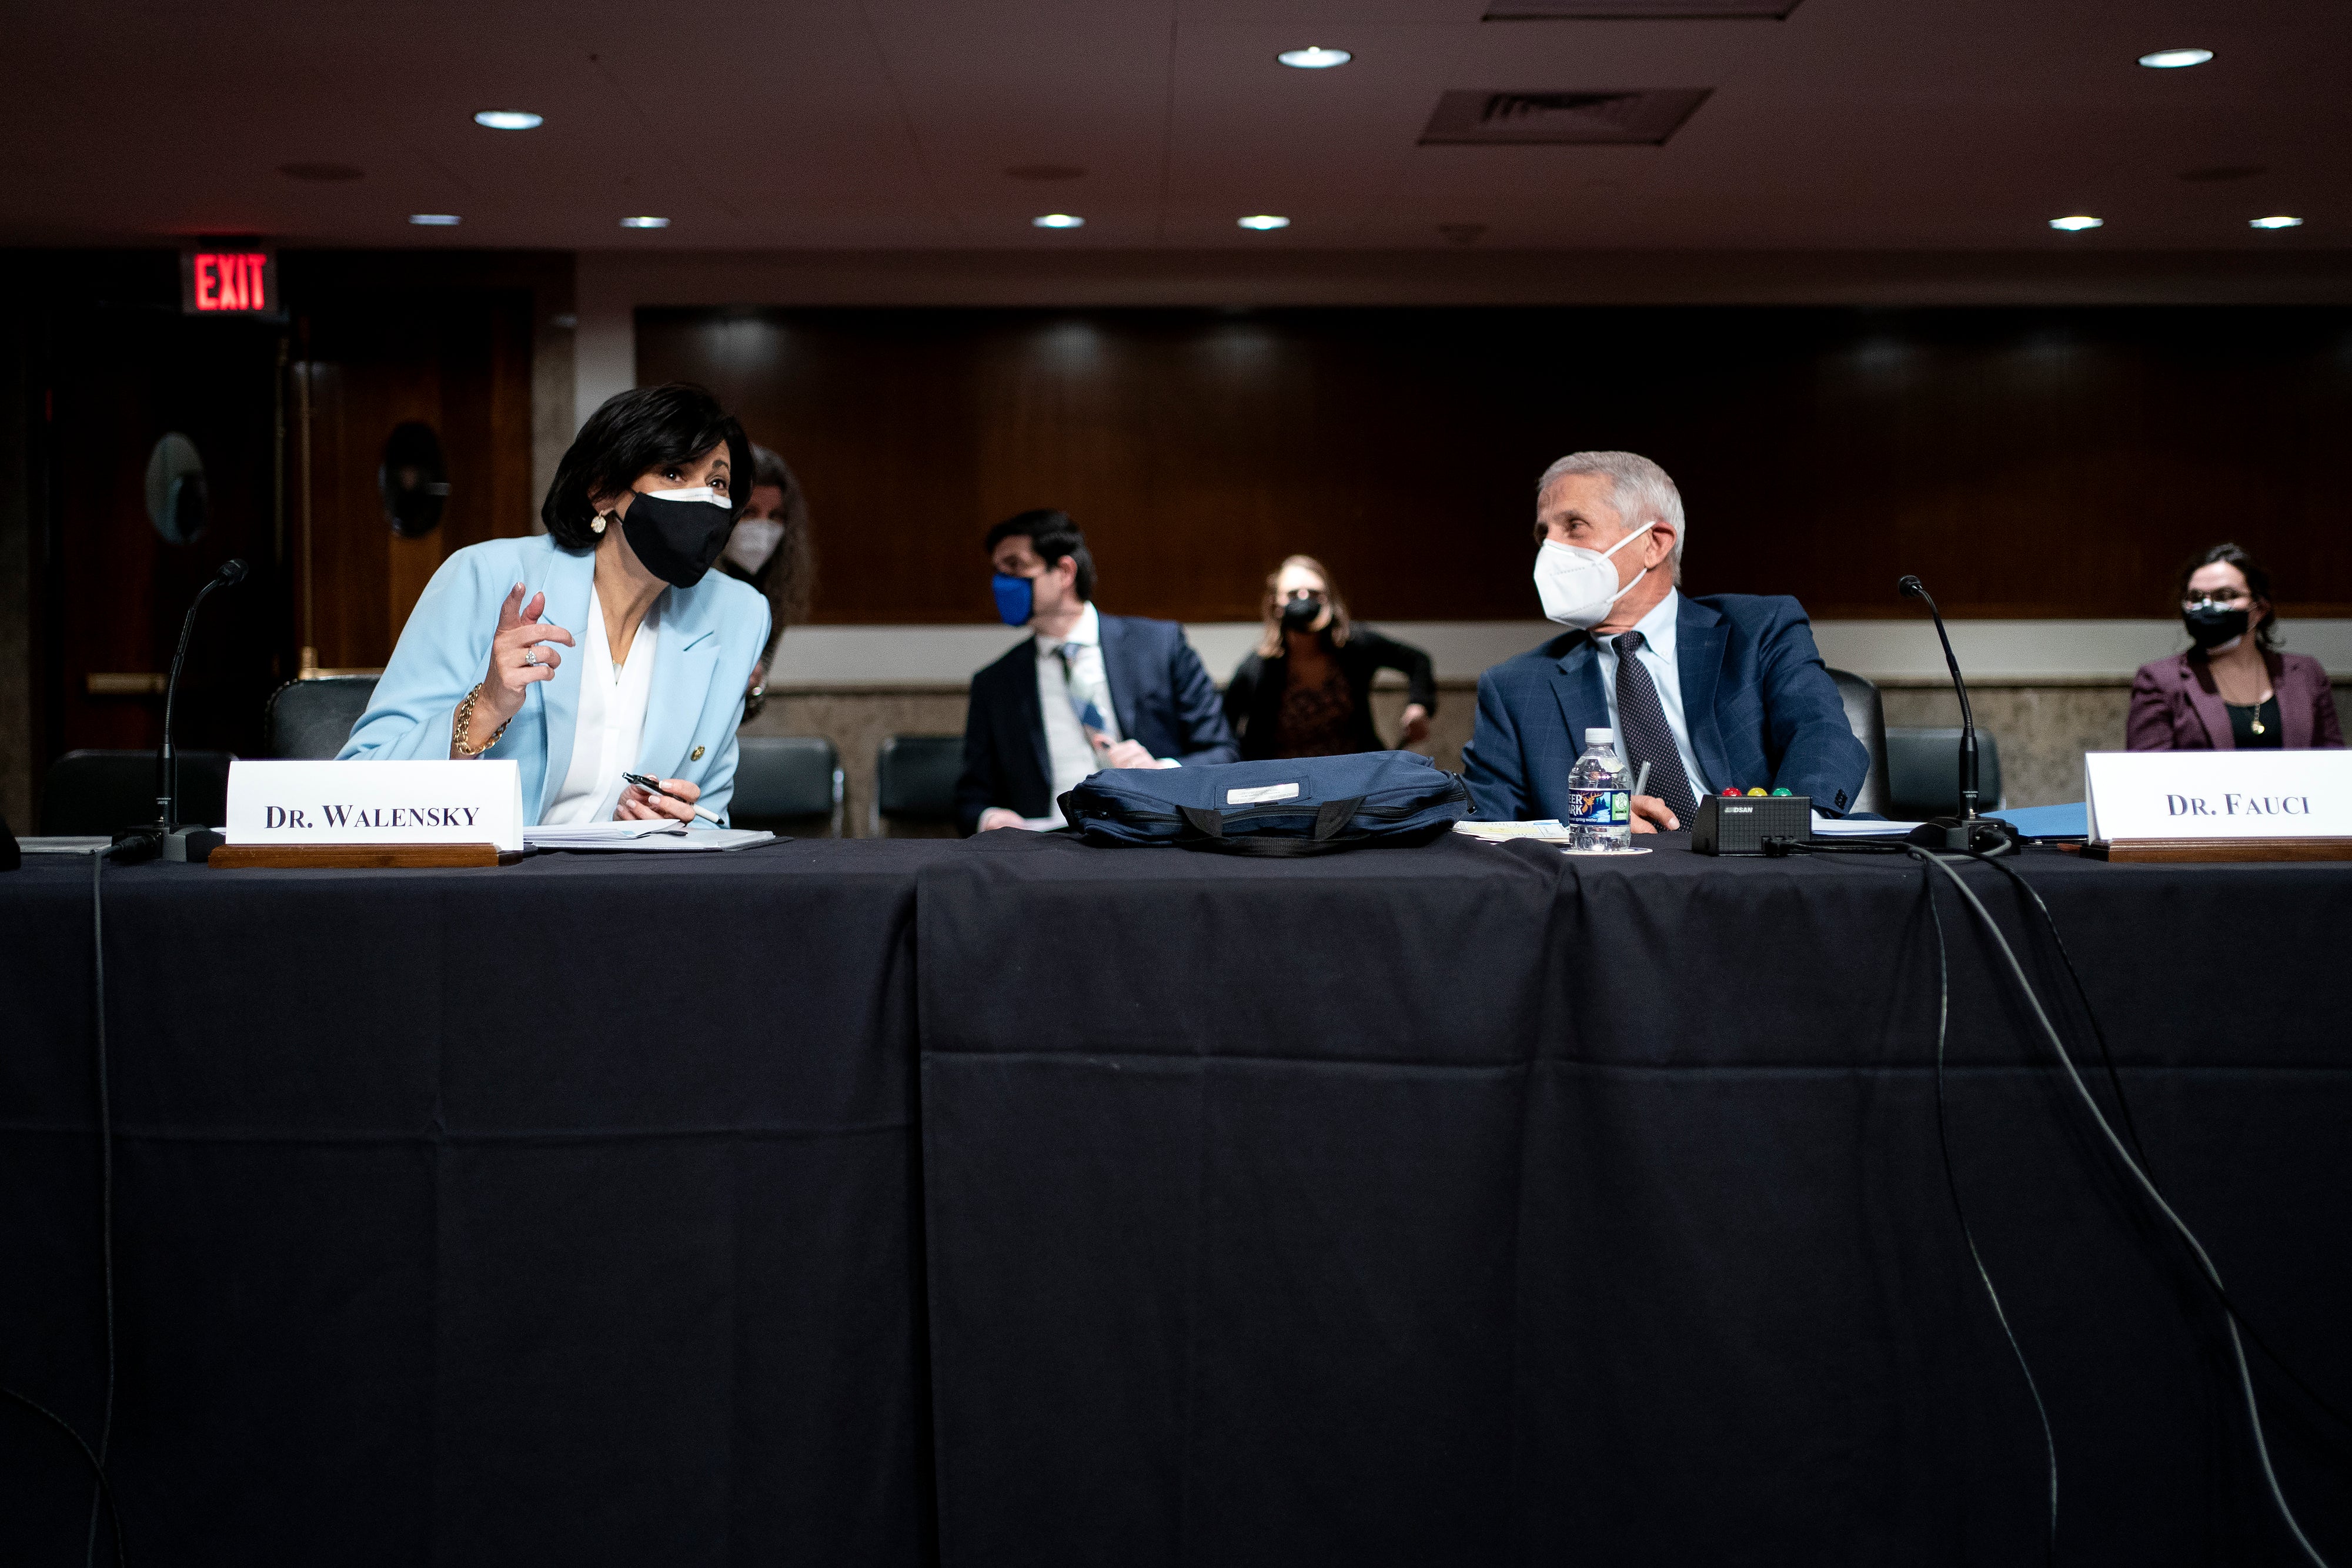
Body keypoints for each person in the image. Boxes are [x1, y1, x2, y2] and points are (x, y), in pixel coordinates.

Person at [341, 384, 772, 827]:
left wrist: (674, 824)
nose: (701, 499)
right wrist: (487, 706)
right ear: (603, 490)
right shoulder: (485, 578)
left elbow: (711, 812)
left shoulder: (737, 617)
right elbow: (359, 783)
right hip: (490, 885)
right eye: (675, 474)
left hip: (629, 890)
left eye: (717, 482)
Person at [1462, 450, 1866, 828]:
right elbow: (1488, 826)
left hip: (1760, 875)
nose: (1550, 550)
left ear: (1654, 543)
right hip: (1612, 889)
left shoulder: (1759, 629)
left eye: (1574, 527)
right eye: (1543, 535)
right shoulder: (1515, 687)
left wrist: (1770, 831)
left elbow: (1822, 737)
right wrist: (1600, 818)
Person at [958, 509, 1238, 834]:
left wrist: (1161, 771)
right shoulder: (995, 682)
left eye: (1016, 566)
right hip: (1046, 847)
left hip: (1151, 836)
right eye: (998, 570)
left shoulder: (1159, 646)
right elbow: (971, 795)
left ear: (1064, 571)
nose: (1001, 583)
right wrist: (989, 818)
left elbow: (1223, 754)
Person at [2127, 542, 2344, 751]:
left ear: (2259, 609)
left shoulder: (2305, 674)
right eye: (2196, 597)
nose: (2207, 606)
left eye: (2225, 596)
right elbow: (2147, 774)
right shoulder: (2160, 680)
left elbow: (2334, 764)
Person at [1223, 555, 1436, 759]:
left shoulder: (1356, 645)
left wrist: (1418, 705)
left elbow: (1417, 661)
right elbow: (1223, 729)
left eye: (1314, 594)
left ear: (1328, 600)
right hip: (1283, 785)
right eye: (1294, 594)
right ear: (1276, 605)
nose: (1304, 599)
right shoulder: (1257, 669)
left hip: (1354, 777)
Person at [717, 443, 816, 720]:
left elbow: (751, 708)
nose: (763, 529)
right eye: (749, 513)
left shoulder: (776, 591)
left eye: (775, 517)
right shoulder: (687, 589)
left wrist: (753, 688)